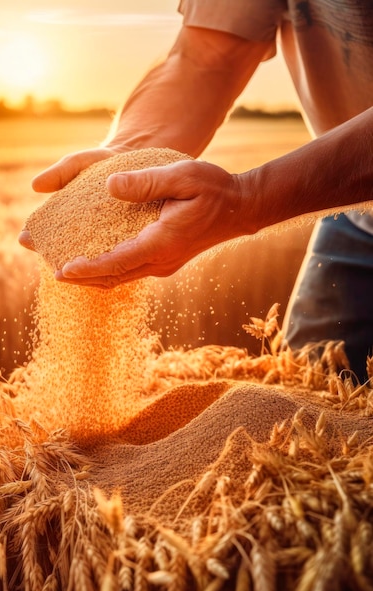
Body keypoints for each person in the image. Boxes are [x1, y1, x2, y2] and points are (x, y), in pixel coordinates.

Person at [19, 1, 373, 379]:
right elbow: (206, 56)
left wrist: (250, 198)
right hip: (358, 215)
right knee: (316, 395)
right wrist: (129, 153)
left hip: (348, 195)